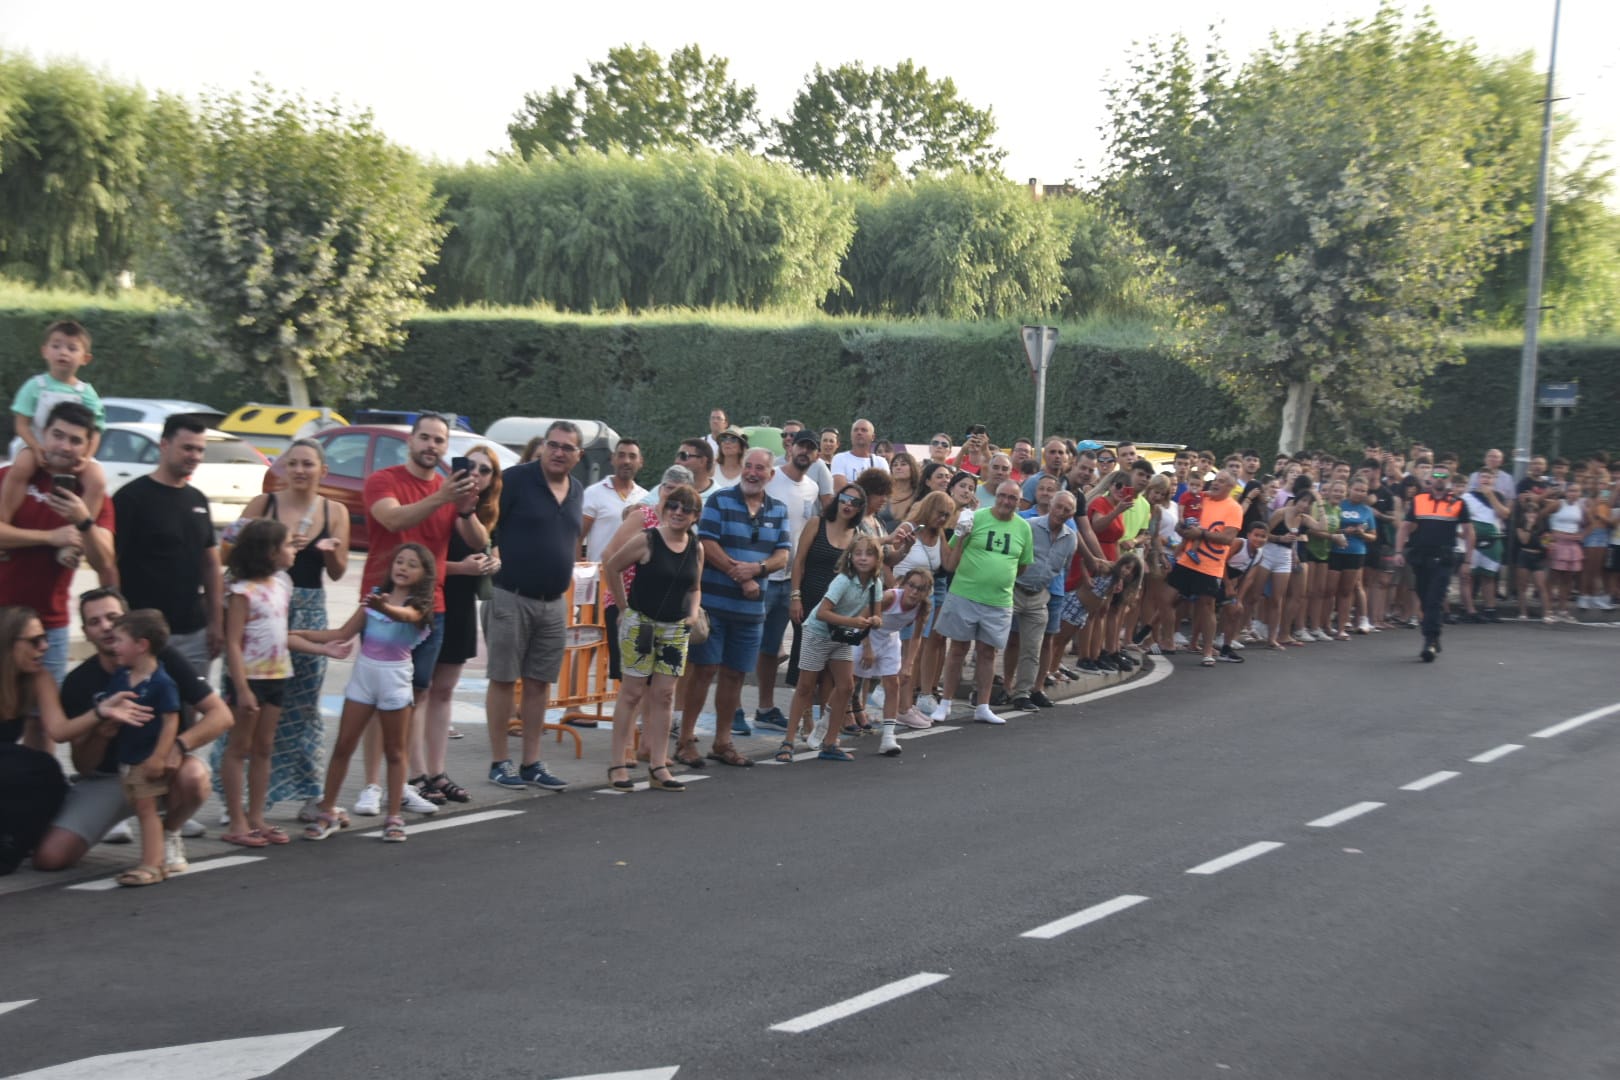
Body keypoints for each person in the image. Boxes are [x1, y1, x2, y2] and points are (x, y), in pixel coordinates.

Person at [32, 587, 231, 873]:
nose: (106, 628)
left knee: (194, 776)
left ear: (129, 622)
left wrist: (177, 747)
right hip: (109, 779)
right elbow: (83, 766)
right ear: (86, 633)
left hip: (158, 769)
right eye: (94, 622)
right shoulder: (80, 681)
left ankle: (170, 831)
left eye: (113, 617)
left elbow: (221, 715)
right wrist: (102, 732)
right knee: (50, 858)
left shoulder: (164, 659)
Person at [354, 413, 486, 816]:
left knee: (414, 697)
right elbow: (393, 519)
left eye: (439, 441)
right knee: (380, 700)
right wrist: (443, 497)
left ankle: (404, 783)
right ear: (410, 441)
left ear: (446, 447)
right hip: (384, 608)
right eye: (425, 438)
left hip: (433, 609)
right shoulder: (385, 480)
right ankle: (371, 787)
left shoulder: (448, 490)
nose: (431, 446)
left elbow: (480, 543)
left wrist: (465, 510)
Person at [213, 438, 348, 823]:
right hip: (256, 606)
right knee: (244, 703)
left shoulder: (333, 509)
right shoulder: (264, 504)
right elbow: (228, 550)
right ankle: (233, 802)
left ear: (323, 471)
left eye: (309, 464)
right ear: (283, 469)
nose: (301, 471)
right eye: (294, 464)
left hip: (306, 605)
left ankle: (308, 793)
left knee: (302, 706)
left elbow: (338, 572)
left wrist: (327, 550)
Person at [293, 544, 429, 842]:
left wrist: (385, 608)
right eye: (399, 561)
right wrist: (294, 634)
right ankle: (327, 811)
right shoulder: (373, 600)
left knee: (394, 751)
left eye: (412, 564)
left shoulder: (419, 605)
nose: (403, 567)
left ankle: (393, 816)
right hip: (363, 677)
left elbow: (405, 616)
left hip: (394, 680)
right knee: (343, 745)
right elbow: (340, 635)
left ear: (424, 574)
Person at [676, 448, 790, 768]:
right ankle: (685, 740)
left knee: (736, 676)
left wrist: (756, 571)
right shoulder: (719, 501)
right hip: (713, 607)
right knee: (704, 672)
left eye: (760, 468)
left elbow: (783, 555)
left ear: (771, 474)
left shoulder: (778, 510)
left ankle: (722, 742)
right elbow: (707, 544)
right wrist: (738, 574)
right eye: (748, 466)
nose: (752, 473)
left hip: (752, 612)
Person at [483, 421, 580, 792]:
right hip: (510, 595)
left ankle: (531, 763)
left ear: (578, 455)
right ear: (542, 448)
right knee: (504, 679)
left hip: (554, 603)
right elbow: (486, 525)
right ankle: (498, 761)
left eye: (566, 448)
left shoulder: (577, 490)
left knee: (540, 684)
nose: (558, 452)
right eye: (552, 445)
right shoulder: (514, 480)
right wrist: (490, 553)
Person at [0, 401, 117, 682]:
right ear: (44, 435)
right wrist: (50, 538)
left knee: (44, 717)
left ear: (88, 447)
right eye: (58, 435)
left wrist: (83, 521)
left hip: (49, 624)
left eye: (75, 440)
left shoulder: (94, 495)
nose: (64, 446)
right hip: (1, 613)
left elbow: (104, 561)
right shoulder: (10, 475)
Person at [602, 483, 704, 793]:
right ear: (663, 508)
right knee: (632, 694)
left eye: (686, 509)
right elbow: (612, 566)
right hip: (642, 625)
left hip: (675, 629)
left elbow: (695, 586)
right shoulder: (647, 540)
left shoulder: (695, 546)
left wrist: (693, 612)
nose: (678, 512)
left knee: (665, 695)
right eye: (673, 505)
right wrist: (623, 608)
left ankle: (658, 765)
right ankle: (618, 763)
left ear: (695, 516)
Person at [420, 443, 501, 804]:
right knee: (418, 689)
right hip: (430, 597)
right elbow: (417, 559)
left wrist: (491, 562)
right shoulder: (441, 499)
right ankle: (416, 773)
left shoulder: (482, 510)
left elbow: (481, 543)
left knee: (444, 690)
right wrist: (463, 568)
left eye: (485, 471)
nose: (477, 476)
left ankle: (437, 773)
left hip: (461, 604)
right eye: (473, 467)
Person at [111, 414, 222, 673]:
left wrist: (216, 622)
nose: (194, 455)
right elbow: (109, 564)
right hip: (143, 636)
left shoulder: (198, 500)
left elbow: (210, 564)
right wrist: (119, 625)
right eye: (187, 447)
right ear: (164, 445)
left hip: (194, 631)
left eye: (200, 450)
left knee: (194, 711)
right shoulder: (131, 498)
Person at [217, 518, 299, 848]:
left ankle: (256, 816)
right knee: (239, 748)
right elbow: (233, 642)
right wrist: (242, 688)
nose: (293, 550)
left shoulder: (281, 585)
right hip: (249, 678)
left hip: (278, 675)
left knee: (265, 748)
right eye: (289, 545)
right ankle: (237, 820)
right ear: (269, 552)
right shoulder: (240, 592)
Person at [929, 480, 1033, 726]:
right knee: (957, 650)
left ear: (1019, 502)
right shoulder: (975, 518)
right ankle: (945, 703)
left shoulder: (1024, 528)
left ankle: (983, 706)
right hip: (965, 594)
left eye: (1012, 498)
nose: (1006, 502)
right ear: (995, 496)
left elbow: (1023, 565)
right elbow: (953, 551)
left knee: (988, 653)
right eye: (1003, 496)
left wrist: (998, 577)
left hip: (999, 600)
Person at [776, 535, 885, 762]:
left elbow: (877, 614)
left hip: (840, 636)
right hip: (818, 633)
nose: (863, 558)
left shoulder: (876, 583)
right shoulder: (843, 580)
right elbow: (822, 612)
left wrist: (874, 621)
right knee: (805, 686)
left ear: (877, 558)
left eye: (869, 554)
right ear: (850, 557)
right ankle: (787, 742)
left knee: (846, 687)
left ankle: (830, 742)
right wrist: (853, 622)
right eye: (858, 553)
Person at [100, 609, 183, 886]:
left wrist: (160, 756)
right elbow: (115, 712)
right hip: (128, 757)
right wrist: (110, 727)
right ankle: (156, 861)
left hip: (146, 758)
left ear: (141, 645)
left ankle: (151, 865)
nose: (114, 646)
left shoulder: (162, 682)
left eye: (119, 640)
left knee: (147, 809)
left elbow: (171, 719)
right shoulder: (122, 678)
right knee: (142, 807)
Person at [2, 321, 108, 527]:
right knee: (21, 468)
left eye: (72, 348)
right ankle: (4, 520)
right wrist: (36, 447)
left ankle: (77, 535)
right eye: (56, 346)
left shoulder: (86, 392)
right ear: (45, 351)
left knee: (97, 480)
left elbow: (95, 430)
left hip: (75, 451)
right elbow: (22, 424)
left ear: (85, 358)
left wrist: (86, 457)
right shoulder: (34, 386)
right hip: (36, 445)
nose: (63, 353)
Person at [751, 431, 822, 733]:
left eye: (811, 448)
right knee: (749, 644)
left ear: (817, 455)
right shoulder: (771, 477)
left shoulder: (813, 487)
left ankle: (765, 707)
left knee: (771, 648)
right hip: (762, 573)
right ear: (790, 447)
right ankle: (735, 710)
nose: (805, 452)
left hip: (790, 580)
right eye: (801, 445)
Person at [0, 606, 69, 875]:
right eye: (34, 641)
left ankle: (11, 847)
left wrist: (101, 713)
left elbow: (59, 731)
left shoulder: (37, 678)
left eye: (46, 639)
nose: (44, 647)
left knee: (47, 775)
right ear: (8, 643)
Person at [1393, 466, 1475, 661]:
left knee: (1434, 600)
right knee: (1423, 596)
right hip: (1421, 556)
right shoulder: (1419, 500)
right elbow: (1405, 527)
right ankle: (1432, 635)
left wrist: (1467, 561)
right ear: (1430, 479)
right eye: (1436, 475)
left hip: (1444, 558)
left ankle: (1430, 640)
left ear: (1449, 479)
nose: (1439, 479)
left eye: (1443, 476)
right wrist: (1398, 551)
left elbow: (1469, 532)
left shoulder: (1458, 503)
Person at [1008, 491, 1078, 711]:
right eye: (1059, 507)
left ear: (1072, 514)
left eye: (1067, 510)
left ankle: (1024, 693)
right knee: (1002, 641)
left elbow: (1063, 567)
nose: (1061, 513)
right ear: (1050, 505)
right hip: (1015, 589)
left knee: (1034, 646)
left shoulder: (1070, 538)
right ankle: (998, 688)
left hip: (1040, 593)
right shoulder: (1028, 525)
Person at [853, 568, 933, 755]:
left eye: (920, 589)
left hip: (889, 639)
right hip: (864, 634)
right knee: (848, 685)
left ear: (925, 592)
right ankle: (825, 726)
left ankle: (888, 738)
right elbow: (861, 619)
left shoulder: (922, 608)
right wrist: (867, 648)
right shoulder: (889, 597)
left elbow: (916, 637)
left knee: (893, 684)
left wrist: (908, 664)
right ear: (903, 584)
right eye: (911, 586)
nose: (914, 592)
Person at [1169, 470, 1244, 667]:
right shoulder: (1201, 498)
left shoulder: (1234, 508)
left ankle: (1208, 650)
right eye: (1216, 479)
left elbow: (1228, 538)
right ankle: (1158, 640)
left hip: (1210, 564)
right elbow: (1182, 523)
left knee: (1207, 606)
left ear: (1230, 487)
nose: (1216, 483)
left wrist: (1200, 534)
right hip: (1186, 559)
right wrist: (1182, 528)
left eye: (1222, 481)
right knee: (1169, 599)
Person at [580, 437, 645, 560]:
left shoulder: (646, 498)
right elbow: (578, 538)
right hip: (600, 576)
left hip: (635, 578)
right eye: (621, 455)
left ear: (640, 462)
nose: (626, 461)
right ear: (612, 459)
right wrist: (578, 575)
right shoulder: (593, 493)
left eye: (632, 456)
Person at [832, 418, 888, 489]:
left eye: (864, 430)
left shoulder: (880, 462)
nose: (859, 433)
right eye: (855, 430)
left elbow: (885, 491)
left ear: (873, 437)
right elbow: (841, 490)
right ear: (851, 435)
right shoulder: (840, 458)